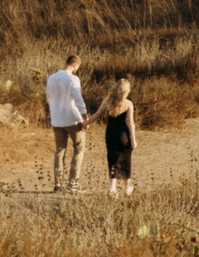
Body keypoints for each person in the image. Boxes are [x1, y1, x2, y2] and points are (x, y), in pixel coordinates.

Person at [45, 52, 90, 191]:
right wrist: (85, 116)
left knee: (60, 150)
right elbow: (78, 99)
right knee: (79, 148)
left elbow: (49, 97)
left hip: (57, 119)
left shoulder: (51, 78)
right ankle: (73, 182)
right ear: (75, 65)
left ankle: (58, 184)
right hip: (72, 118)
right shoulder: (73, 79)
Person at [100, 76, 140, 196]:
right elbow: (130, 122)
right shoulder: (128, 104)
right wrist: (133, 139)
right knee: (126, 160)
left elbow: (97, 114)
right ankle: (127, 187)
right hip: (123, 135)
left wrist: (86, 123)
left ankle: (112, 187)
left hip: (110, 134)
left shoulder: (107, 101)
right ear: (126, 90)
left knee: (112, 159)